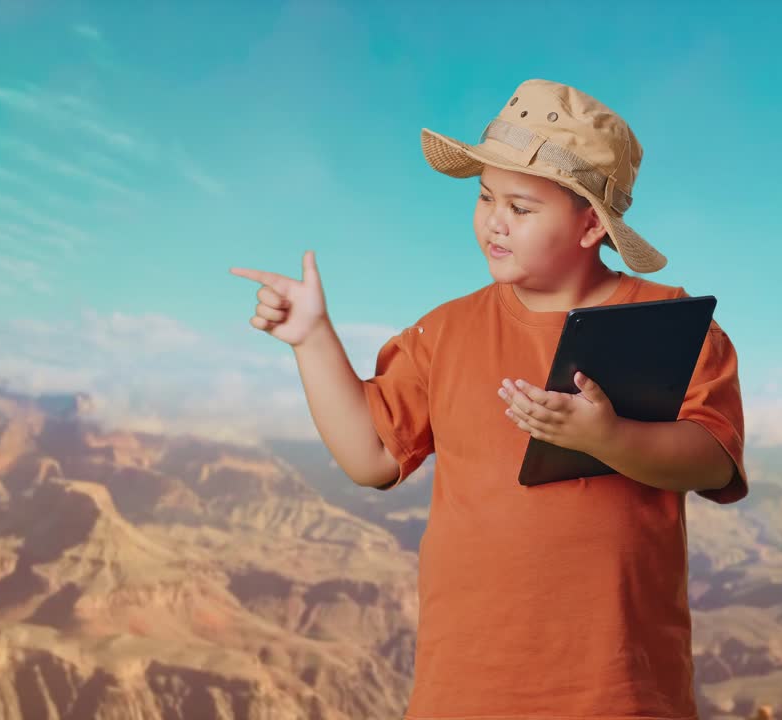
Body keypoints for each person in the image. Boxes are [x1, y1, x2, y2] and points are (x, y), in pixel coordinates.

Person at [230, 78, 749, 720]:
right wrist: (311, 340)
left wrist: (611, 440)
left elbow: (713, 458)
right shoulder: (443, 332)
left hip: (620, 690)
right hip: (468, 687)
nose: (494, 220)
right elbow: (371, 457)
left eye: (522, 208)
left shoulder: (672, 323)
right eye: (484, 198)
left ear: (591, 224)